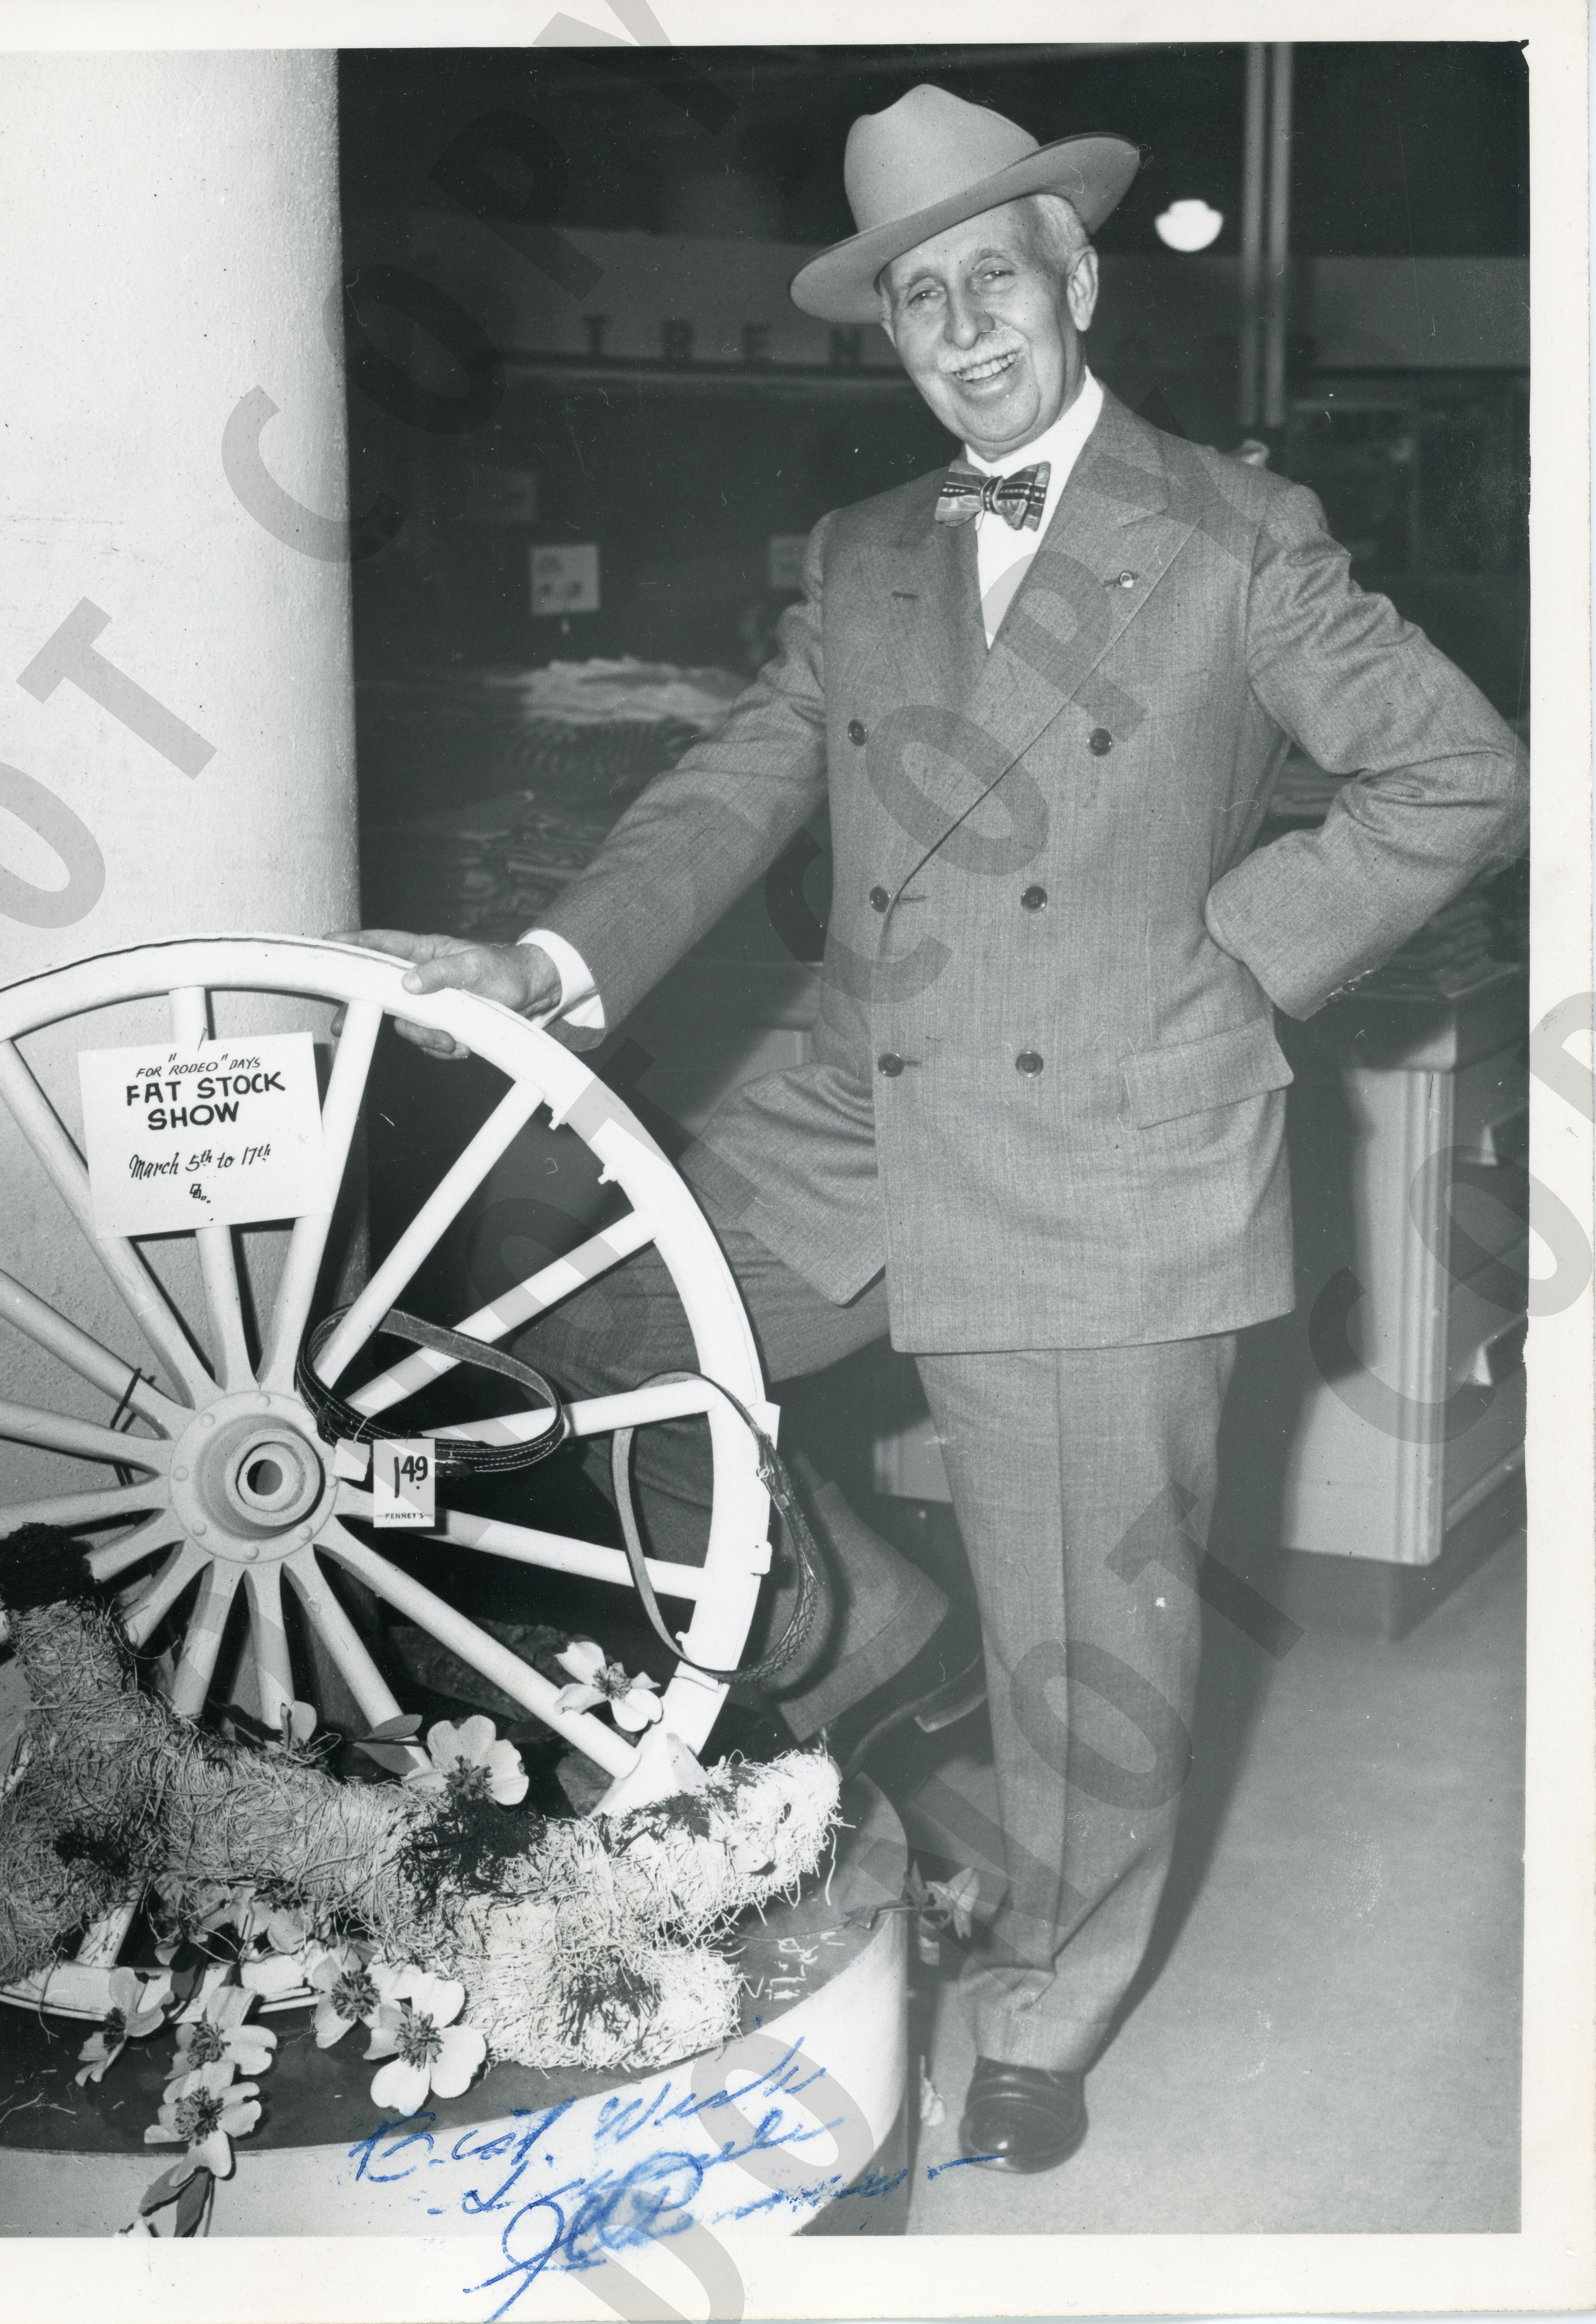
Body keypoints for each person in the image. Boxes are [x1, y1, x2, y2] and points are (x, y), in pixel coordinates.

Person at [351, 85, 1527, 2171]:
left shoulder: (1234, 532)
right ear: (889, 335)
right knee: (587, 1359)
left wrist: (1230, 960)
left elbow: (1457, 772)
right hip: (855, 1111)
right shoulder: (869, 550)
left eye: (997, 278)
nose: (966, 328)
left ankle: (1059, 1984)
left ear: (1077, 283)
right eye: (920, 301)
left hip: (1111, 1146)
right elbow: (737, 778)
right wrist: (550, 961)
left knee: (1087, 1635)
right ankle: (877, 1631)